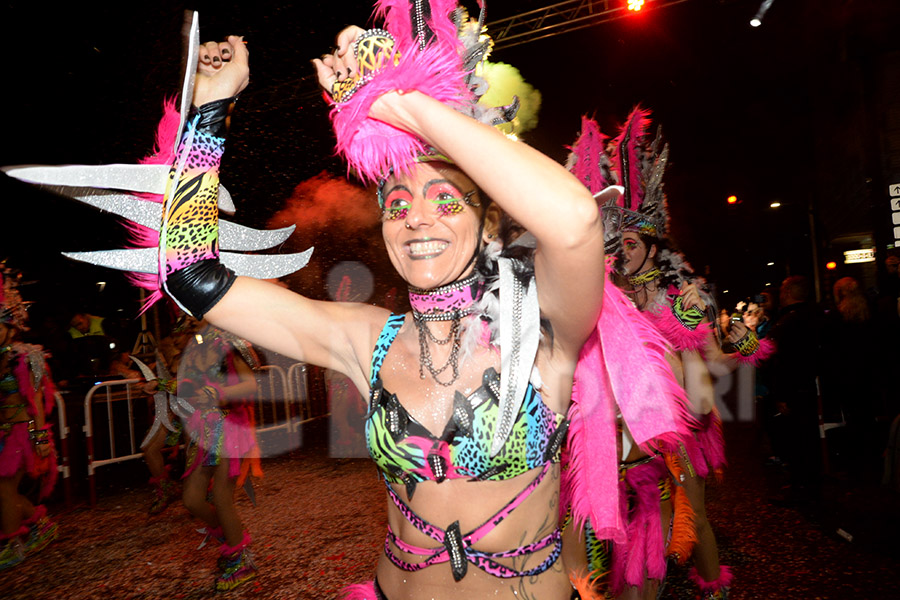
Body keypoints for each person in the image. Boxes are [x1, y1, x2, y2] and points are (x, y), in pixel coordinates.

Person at [7, 2, 688, 597]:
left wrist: (401, 106)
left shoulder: (544, 330)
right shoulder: (368, 337)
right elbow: (190, 273)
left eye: (446, 200)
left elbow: (573, 223)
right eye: (396, 203)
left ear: (491, 222)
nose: (416, 217)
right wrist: (211, 112)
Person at [566, 111, 769, 600]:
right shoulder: (602, 291)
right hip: (616, 427)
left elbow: (707, 374)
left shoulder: (682, 298)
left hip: (678, 426)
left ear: (654, 246)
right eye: (617, 243)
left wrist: (742, 345)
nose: (623, 253)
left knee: (692, 515)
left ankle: (712, 587)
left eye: (631, 243)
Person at [176, 319, 261, 592]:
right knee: (192, 500)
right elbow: (187, 387)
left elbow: (250, 385)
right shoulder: (194, 349)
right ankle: (230, 536)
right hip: (203, 429)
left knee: (223, 497)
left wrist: (217, 392)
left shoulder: (230, 343)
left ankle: (239, 558)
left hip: (230, 428)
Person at [0, 266, 59, 570]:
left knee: (5, 488)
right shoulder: (3, 356)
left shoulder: (28, 356)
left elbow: (37, 402)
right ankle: (40, 523)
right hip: (5, 431)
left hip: (23, 432)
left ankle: (13, 544)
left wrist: (39, 440)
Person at [768, 275, 823, 504]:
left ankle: (801, 489)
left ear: (788, 292)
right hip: (806, 386)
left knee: (797, 441)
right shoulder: (813, 316)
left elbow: (782, 360)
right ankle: (808, 485)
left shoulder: (788, 321)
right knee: (808, 439)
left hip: (792, 390)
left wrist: (780, 394)